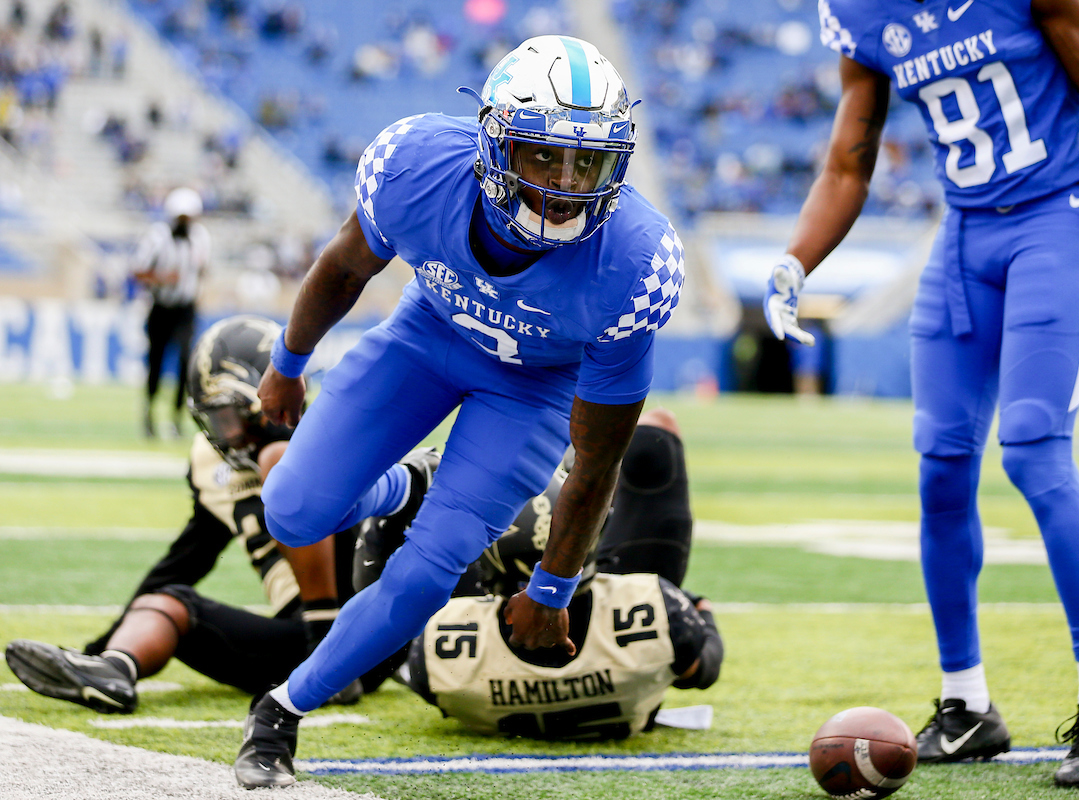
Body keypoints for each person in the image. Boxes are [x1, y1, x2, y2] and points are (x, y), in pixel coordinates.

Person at [763, 0, 1079, 788]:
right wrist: (796, 260)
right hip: (963, 235)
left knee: (1033, 451)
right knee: (941, 468)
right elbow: (847, 165)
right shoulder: (864, 14)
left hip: (1057, 219)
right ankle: (967, 705)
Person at [234, 35, 684, 789]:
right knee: (293, 514)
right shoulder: (417, 167)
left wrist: (552, 589)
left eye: (589, 163)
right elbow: (345, 268)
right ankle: (401, 488)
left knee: (423, 577)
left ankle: (280, 713)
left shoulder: (633, 264)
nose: (567, 185)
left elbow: (598, 462)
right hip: (426, 337)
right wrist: (287, 362)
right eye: (544, 157)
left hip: (530, 391)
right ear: (494, 143)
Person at [3, 317, 432, 711]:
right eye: (215, 420)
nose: (225, 435)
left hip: (370, 627)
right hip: (293, 640)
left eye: (228, 416)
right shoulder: (217, 470)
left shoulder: (323, 431)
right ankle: (114, 670)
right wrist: (99, 647)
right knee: (167, 599)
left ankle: (330, 656)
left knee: (283, 470)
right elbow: (187, 559)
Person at [363, 408, 722, 740]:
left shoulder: (437, 658)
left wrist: (385, 525)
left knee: (407, 489)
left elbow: (384, 646)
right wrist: (698, 608)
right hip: (618, 649)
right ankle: (568, 468)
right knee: (654, 436)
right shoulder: (660, 618)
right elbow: (702, 670)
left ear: (483, 566)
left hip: (483, 660)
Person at [132, 186, 210, 438]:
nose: (185, 223)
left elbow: (204, 269)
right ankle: (150, 412)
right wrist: (164, 279)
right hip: (161, 307)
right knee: (155, 362)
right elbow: (138, 271)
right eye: (181, 218)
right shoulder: (157, 237)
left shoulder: (201, 238)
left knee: (187, 359)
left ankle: (177, 416)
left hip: (186, 309)